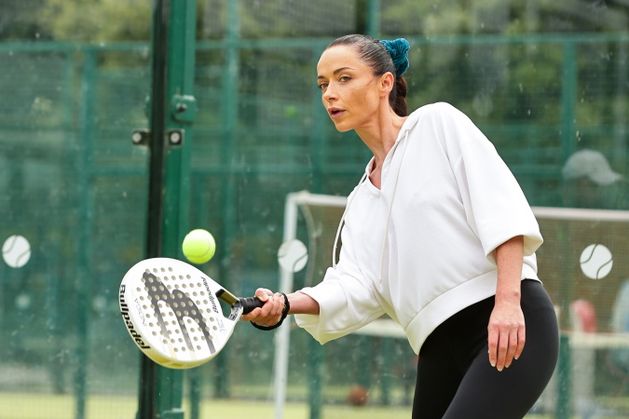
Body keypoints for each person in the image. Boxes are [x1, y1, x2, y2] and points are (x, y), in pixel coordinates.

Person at [242, 34, 559, 419]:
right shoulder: (360, 202)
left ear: (385, 83)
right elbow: (356, 286)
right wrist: (285, 304)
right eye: (323, 85)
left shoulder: (438, 123)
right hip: (435, 348)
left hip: (507, 318)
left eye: (344, 78)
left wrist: (508, 303)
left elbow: (501, 211)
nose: (329, 94)